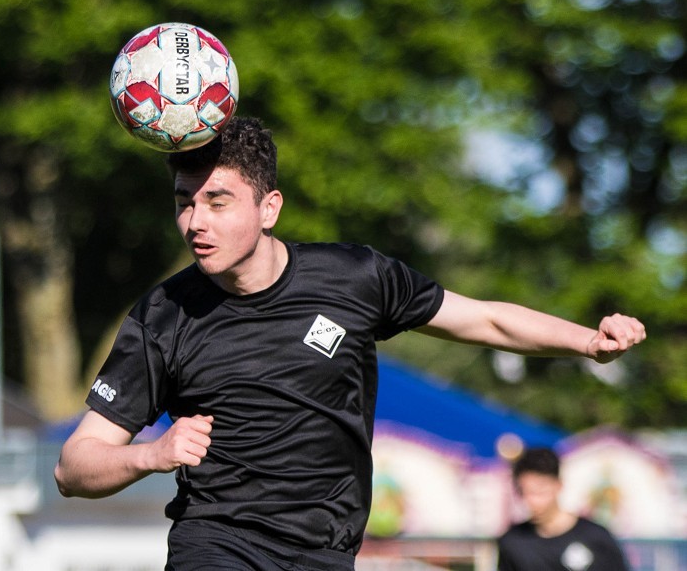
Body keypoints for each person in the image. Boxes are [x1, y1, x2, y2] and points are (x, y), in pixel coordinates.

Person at [54, 117, 646, 571]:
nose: (195, 223)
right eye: (184, 204)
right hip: (218, 542)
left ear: (269, 208)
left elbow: (486, 321)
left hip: (328, 553)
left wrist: (587, 342)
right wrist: (150, 455)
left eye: (217, 201)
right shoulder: (164, 315)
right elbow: (73, 466)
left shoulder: (355, 278)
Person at [497, 447, 631, 570]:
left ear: (558, 485)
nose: (532, 501)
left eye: (539, 492)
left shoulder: (597, 538)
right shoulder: (513, 542)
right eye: (524, 493)